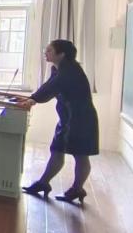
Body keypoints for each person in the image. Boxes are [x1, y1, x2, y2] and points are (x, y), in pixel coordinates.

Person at [17, 40, 99, 204]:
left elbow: (52, 87)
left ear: (61, 54)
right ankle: (43, 183)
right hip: (68, 118)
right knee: (57, 149)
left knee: (80, 155)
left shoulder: (70, 70)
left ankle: (77, 188)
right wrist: (32, 98)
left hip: (81, 119)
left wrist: (33, 99)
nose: (45, 53)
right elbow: (48, 85)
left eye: (49, 50)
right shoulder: (58, 68)